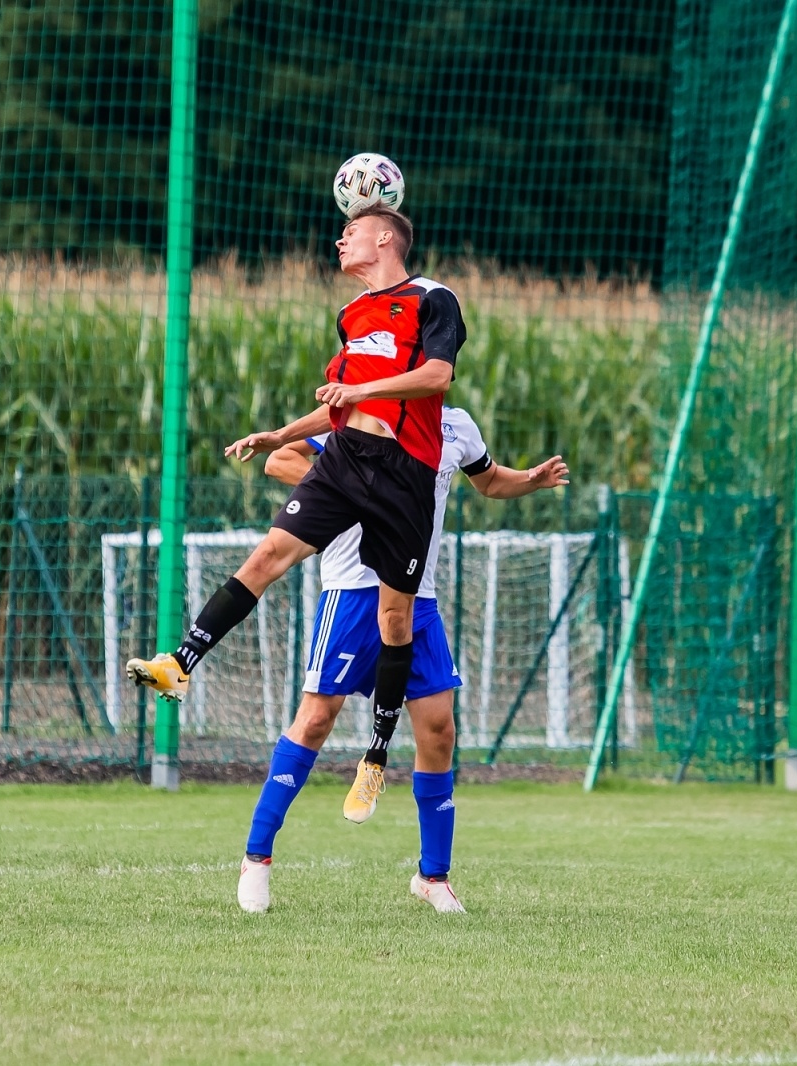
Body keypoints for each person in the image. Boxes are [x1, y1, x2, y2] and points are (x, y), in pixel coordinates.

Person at [127, 206, 461, 794]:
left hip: (406, 474)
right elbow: (341, 405)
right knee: (267, 558)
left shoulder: (433, 297)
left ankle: (377, 752)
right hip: (347, 459)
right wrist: (279, 436)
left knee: (395, 618)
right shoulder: (351, 314)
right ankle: (179, 664)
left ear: (385, 238)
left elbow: (436, 376)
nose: (340, 237)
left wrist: (359, 388)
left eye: (351, 230)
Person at [237, 407, 568, 913]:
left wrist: (531, 480)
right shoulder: (359, 412)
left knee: (438, 731)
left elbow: (490, 481)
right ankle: (256, 860)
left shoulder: (456, 425)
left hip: (418, 598)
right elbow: (279, 460)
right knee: (315, 720)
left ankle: (433, 876)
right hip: (352, 593)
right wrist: (355, 492)